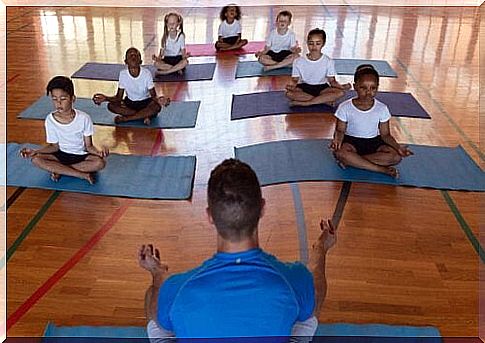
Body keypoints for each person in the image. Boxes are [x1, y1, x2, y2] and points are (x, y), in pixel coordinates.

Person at [139, 159, 337, 341]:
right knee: (308, 308)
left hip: (171, 291)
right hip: (297, 286)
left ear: (209, 216)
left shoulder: (175, 288)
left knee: (158, 314)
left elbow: (158, 316)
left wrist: (158, 275)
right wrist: (321, 249)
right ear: (262, 208)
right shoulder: (295, 277)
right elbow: (316, 290)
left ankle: (155, 275)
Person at [19, 76, 108, 184]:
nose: (58, 103)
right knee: (35, 159)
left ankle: (60, 169)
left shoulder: (84, 118)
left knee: (100, 163)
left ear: (72, 98)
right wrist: (35, 151)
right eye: (54, 99)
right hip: (59, 155)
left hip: (81, 156)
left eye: (63, 99)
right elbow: (54, 147)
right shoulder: (50, 120)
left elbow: (88, 146)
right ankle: (81, 174)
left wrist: (99, 152)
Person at [330, 64, 413, 177]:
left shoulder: (382, 108)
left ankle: (353, 161)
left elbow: (386, 134)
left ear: (377, 88)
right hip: (351, 143)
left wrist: (398, 147)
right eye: (363, 88)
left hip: (374, 143)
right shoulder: (345, 107)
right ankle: (380, 169)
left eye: (373, 88)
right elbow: (340, 130)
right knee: (340, 152)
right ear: (355, 87)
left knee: (396, 157)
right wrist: (337, 141)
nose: (368, 92)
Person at [92, 47, 170, 126]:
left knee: (157, 107)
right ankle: (144, 115)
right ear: (126, 61)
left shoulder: (146, 73)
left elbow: (153, 96)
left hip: (146, 103)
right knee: (111, 106)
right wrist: (105, 98)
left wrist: (160, 100)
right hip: (130, 104)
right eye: (130, 56)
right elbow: (118, 98)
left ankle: (127, 119)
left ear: (140, 61)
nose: (133, 57)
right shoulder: (123, 74)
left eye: (136, 56)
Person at [285, 28, 350, 107]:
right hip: (304, 87)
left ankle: (306, 102)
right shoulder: (298, 61)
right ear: (307, 43)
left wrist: (342, 87)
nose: (314, 47)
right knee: (289, 94)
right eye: (311, 43)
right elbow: (295, 80)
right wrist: (291, 86)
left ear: (323, 44)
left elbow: (332, 81)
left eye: (318, 43)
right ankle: (324, 101)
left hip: (323, 88)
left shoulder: (328, 61)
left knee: (340, 93)